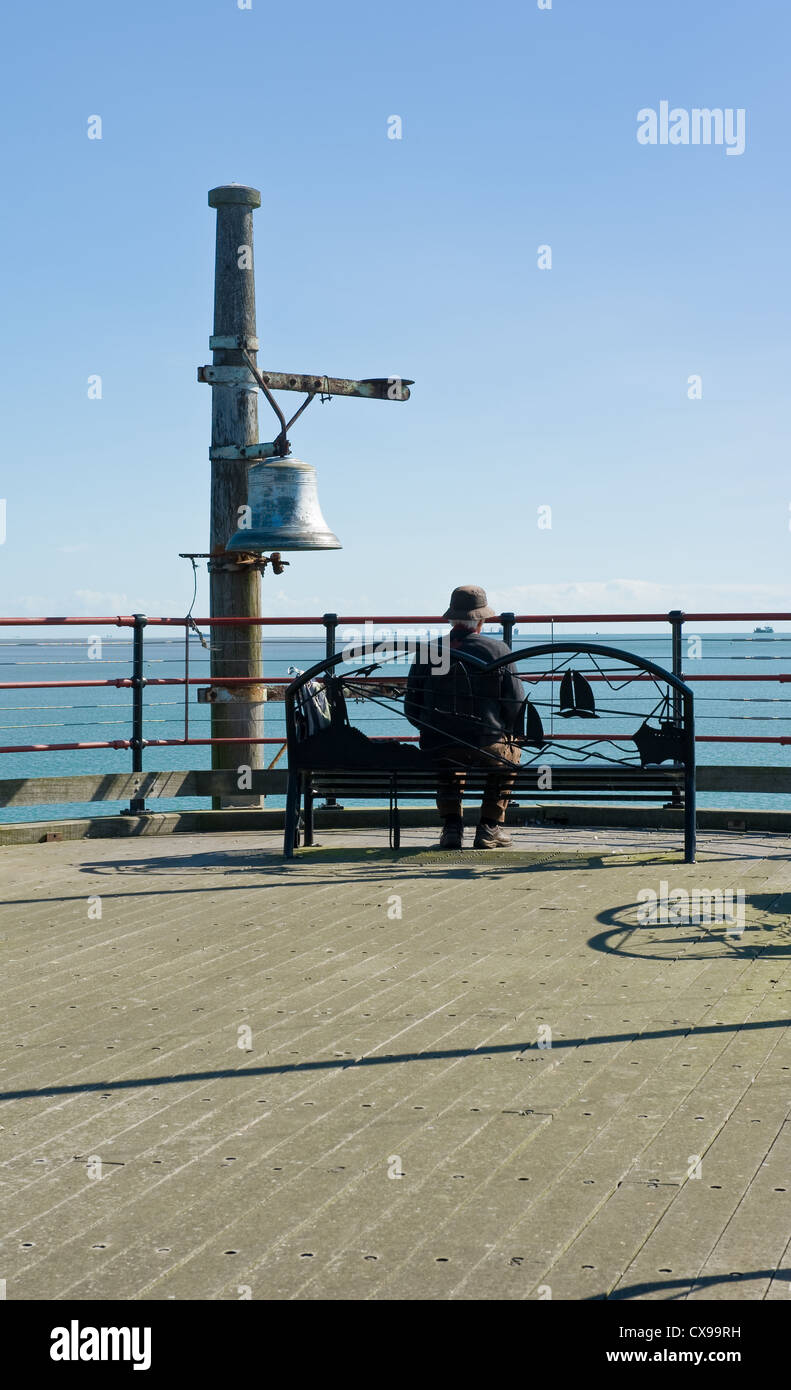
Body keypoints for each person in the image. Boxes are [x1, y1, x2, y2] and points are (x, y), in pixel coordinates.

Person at [406, 585, 525, 849]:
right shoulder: (499, 650)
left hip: (439, 744)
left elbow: (411, 707)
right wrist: (503, 730)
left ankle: (451, 828)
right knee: (510, 753)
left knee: (446, 755)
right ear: (481, 620)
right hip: (486, 742)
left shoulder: (428, 651)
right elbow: (515, 703)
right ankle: (489, 827)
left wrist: (431, 729)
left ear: (451, 618)